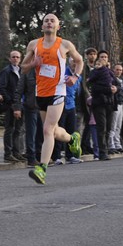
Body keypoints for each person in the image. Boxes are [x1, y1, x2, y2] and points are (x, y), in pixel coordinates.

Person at [21, 13, 83, 185]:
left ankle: (42, 169)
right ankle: (72, 139)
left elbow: (79, 61)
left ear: (58, 26)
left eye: (52, 21)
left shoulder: (64, 44)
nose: (49, 23)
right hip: (41, 93)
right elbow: (23, 68)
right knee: (54, 132)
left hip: (58, 91)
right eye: (46, 21)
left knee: (47, 130)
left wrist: (75, 77)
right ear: (42, 26)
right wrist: (33, 64)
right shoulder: (34, 44)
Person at [87, 53, 117, 160]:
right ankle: (102, 152)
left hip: (109, 102)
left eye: (105, 57)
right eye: (101, 57)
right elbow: (94, 87)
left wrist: (115, 88)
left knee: (109, 127)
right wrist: (109, 89)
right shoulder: (94, 73)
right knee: (101, 127)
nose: (103, 59)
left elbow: (117, 83)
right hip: (99, 103)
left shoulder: (110, 72)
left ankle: (107, 149)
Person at [0, 50, 24, 162]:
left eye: (17, 57)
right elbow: (2, 87)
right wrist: (12, 102)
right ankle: (8, 154)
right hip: (10, 105)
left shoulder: (22, 71)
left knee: (18, 129)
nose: (15, 59)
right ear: (9, 58)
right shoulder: (6, 71)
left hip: (21, 104)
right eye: (13, 57)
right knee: (10, 129)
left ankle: (16, 152)